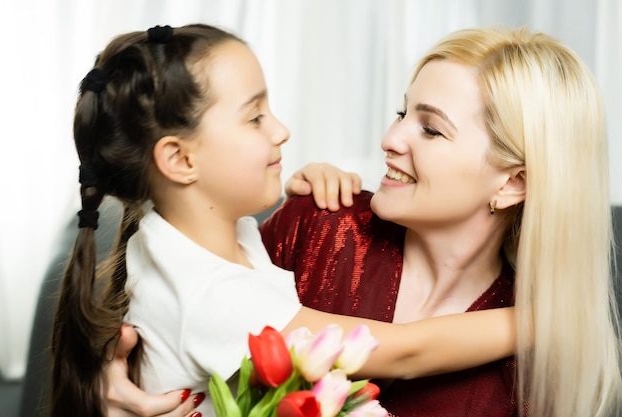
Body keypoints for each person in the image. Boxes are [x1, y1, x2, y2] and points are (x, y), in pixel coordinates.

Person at [101, 25, 622, 417]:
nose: (390, 140)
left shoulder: (538, 364)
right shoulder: (319, 222)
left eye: (431, 130)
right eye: (402, 113)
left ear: (512, 182)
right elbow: (171, 339)